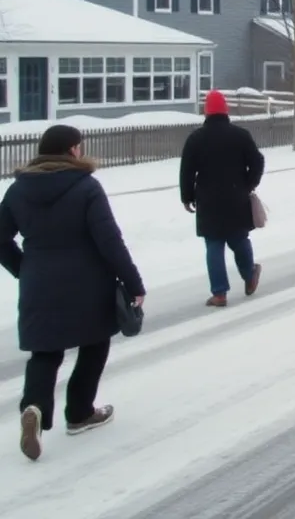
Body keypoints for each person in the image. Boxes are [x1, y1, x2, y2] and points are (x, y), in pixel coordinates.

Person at [0, 125, 145, 462]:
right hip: (88, 282)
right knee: (95, 344)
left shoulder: (18, 190)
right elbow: (109, 241)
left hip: (38, 282)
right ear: (71, 150)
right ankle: (79, 413)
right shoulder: (86, 187)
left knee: (45, 351)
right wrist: (134, 283)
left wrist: (23, 267)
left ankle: (34, 406)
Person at [180, 90, 266, 308]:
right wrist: (249, 183)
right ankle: (250, 275)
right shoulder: (240, 135)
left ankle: (219, 293)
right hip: (237, 196)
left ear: (206, 111)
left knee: (214, 244)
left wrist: (187, 197)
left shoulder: (196, 139)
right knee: (239, 238)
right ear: (226, 110)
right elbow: (257, 161)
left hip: (208, 200)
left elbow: (187, 171)